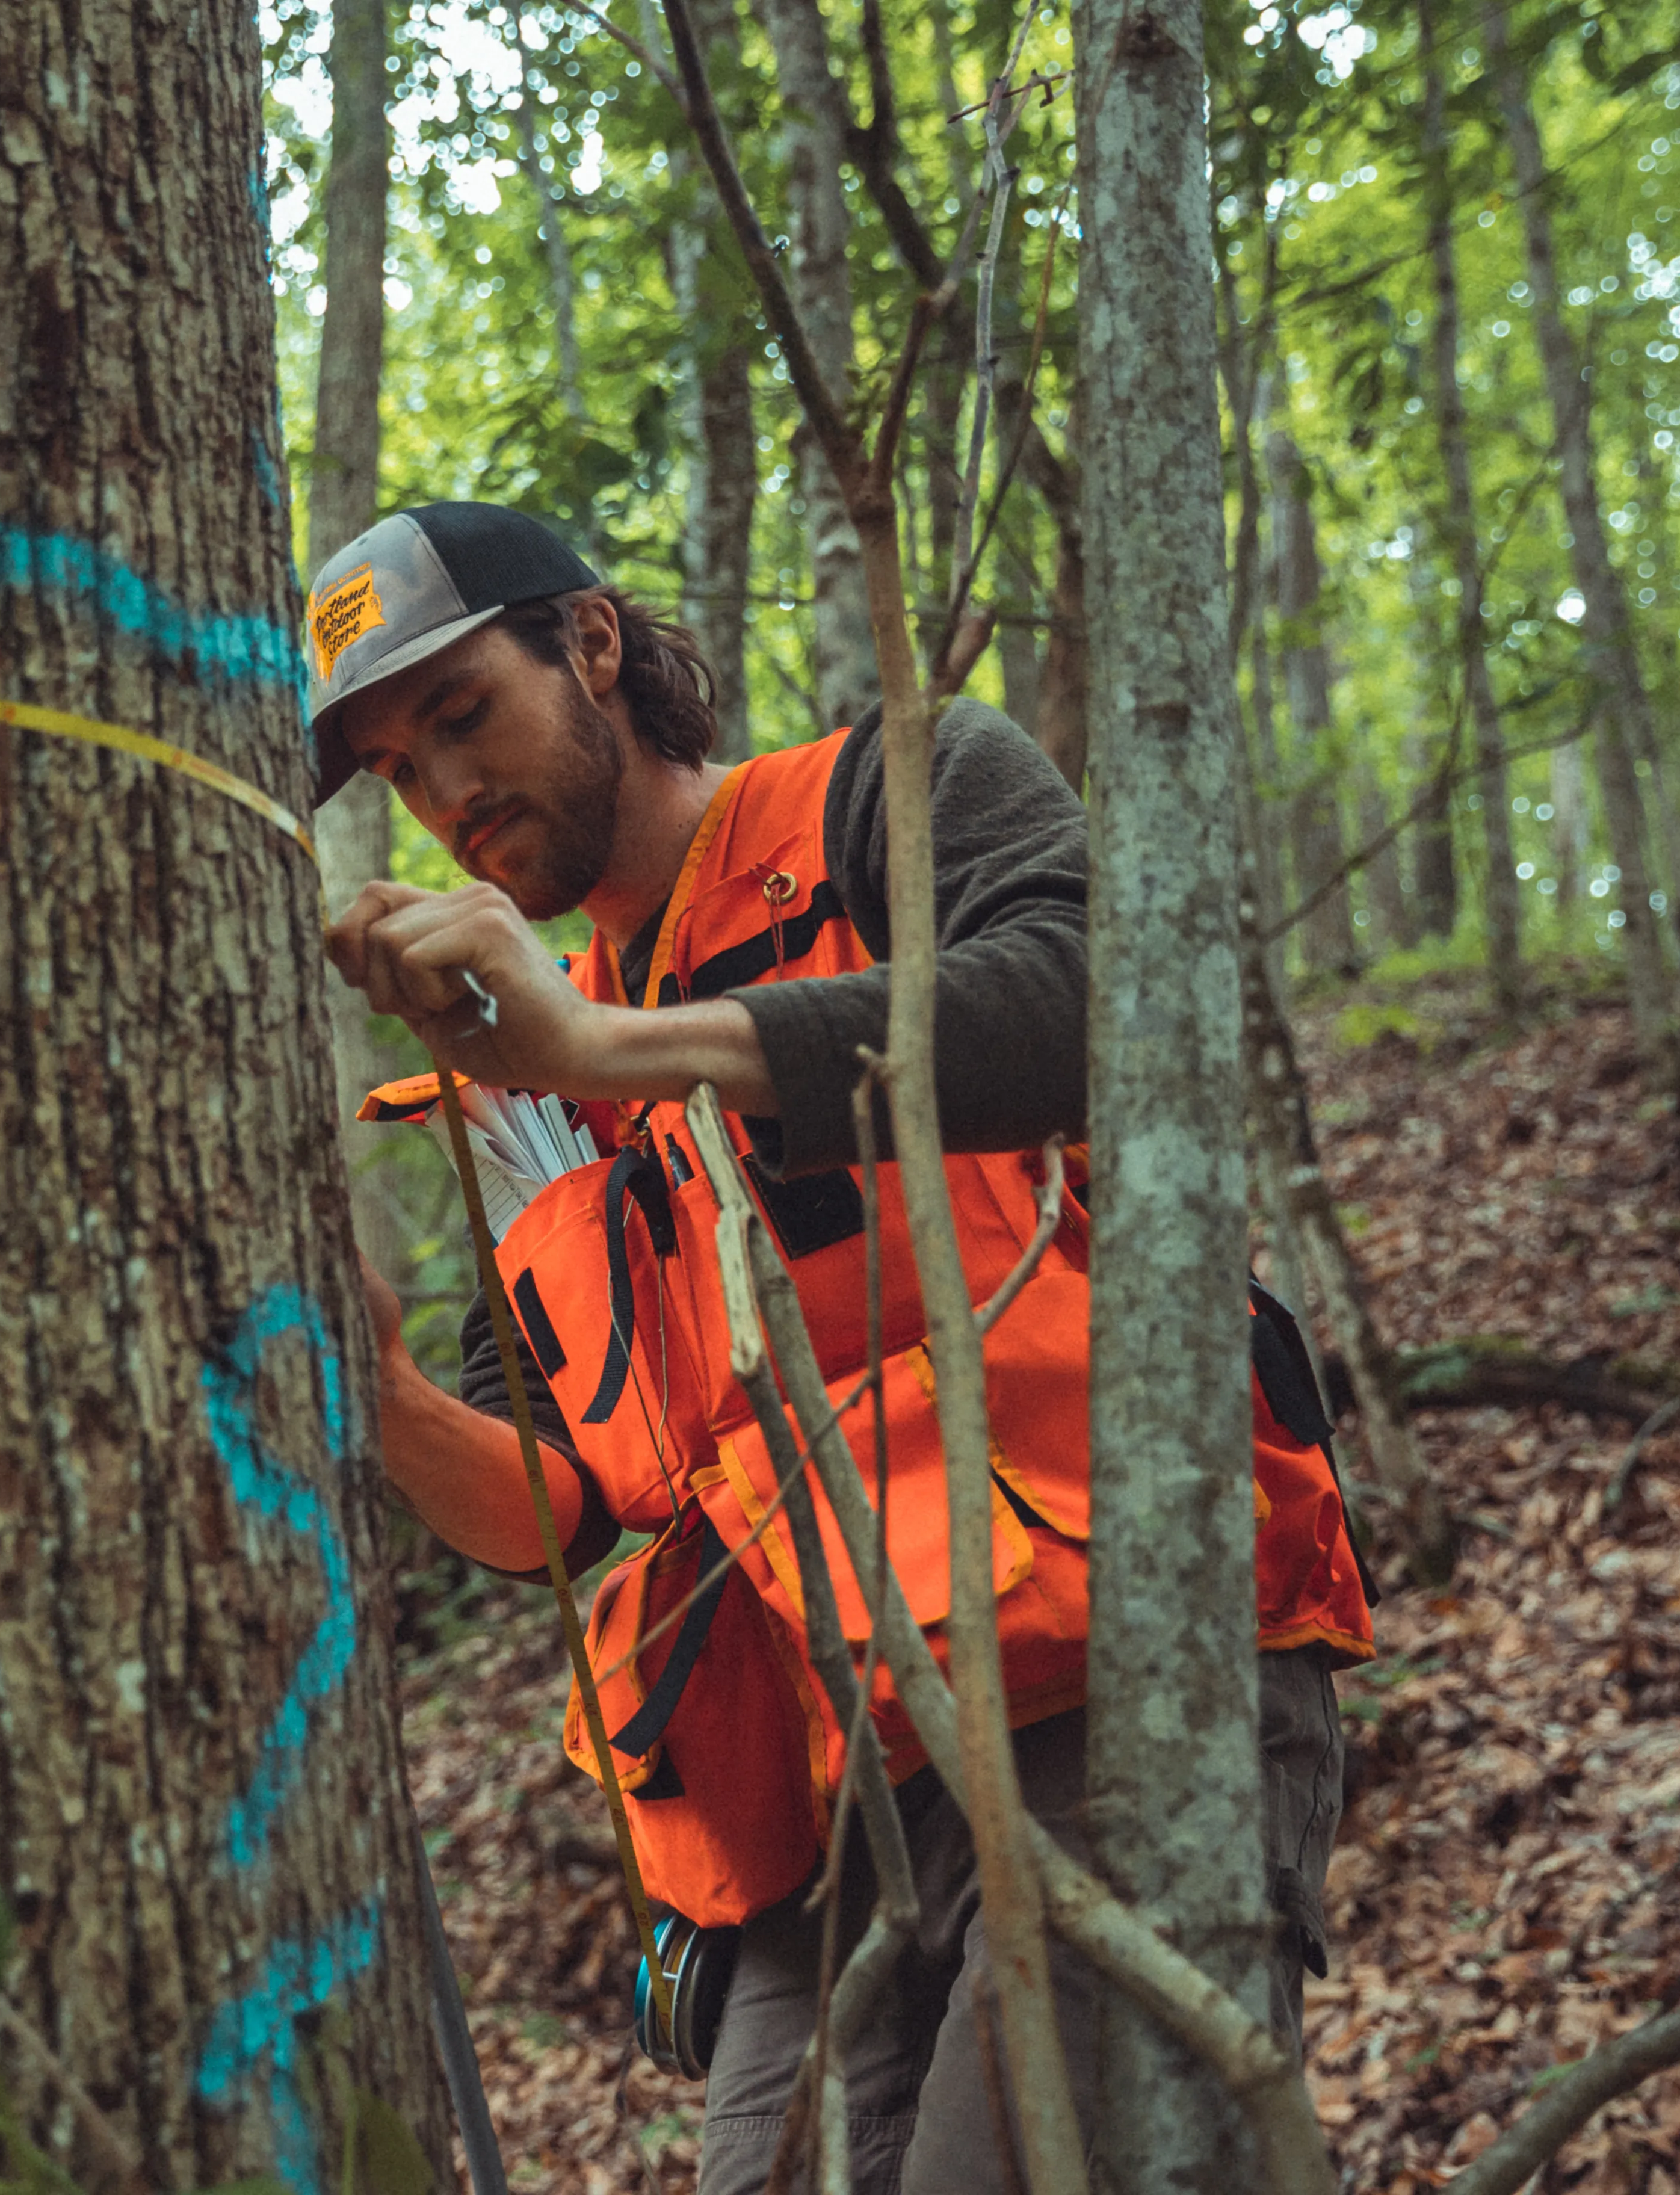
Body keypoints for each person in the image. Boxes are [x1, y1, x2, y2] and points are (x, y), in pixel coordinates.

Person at [310, 501, 1375, 2195]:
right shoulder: (517, 1078)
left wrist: (612, 1044)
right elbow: (565, 1507)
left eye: (460, 715)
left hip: (1118, 1686)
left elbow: (1100, 1000)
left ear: (590, 647)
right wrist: (366, 1388)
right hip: (820, 1811)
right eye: (396, 768)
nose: (446, 797)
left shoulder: (892, 788)